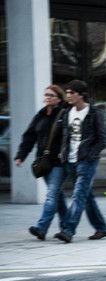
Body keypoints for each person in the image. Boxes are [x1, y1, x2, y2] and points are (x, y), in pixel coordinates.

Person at [54, 80, 106, 243]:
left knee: (79, 195)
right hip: (70, 161)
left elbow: (102, 139)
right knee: (86, 196)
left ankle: (68, 230)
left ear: (81, 95)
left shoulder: (94, 113)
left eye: (72, 93)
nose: (68, 96)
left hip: (86, 161)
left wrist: (90, 155)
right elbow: (66, 136)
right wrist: (62, 153)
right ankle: (101, 228)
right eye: (68, 92)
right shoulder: (67, 113)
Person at [14, 85, 67, 241]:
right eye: (46, 95)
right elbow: (29, 137)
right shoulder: (41, 115)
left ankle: (41, 228)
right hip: (44, 162)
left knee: (51, 195)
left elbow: (69, 136)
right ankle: (67, 226)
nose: (48, 97)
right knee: (57, 196)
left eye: (51, 95)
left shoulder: (64, 115)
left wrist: (64, 152)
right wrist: (21, 156)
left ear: (59, 98)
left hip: (59, 162)